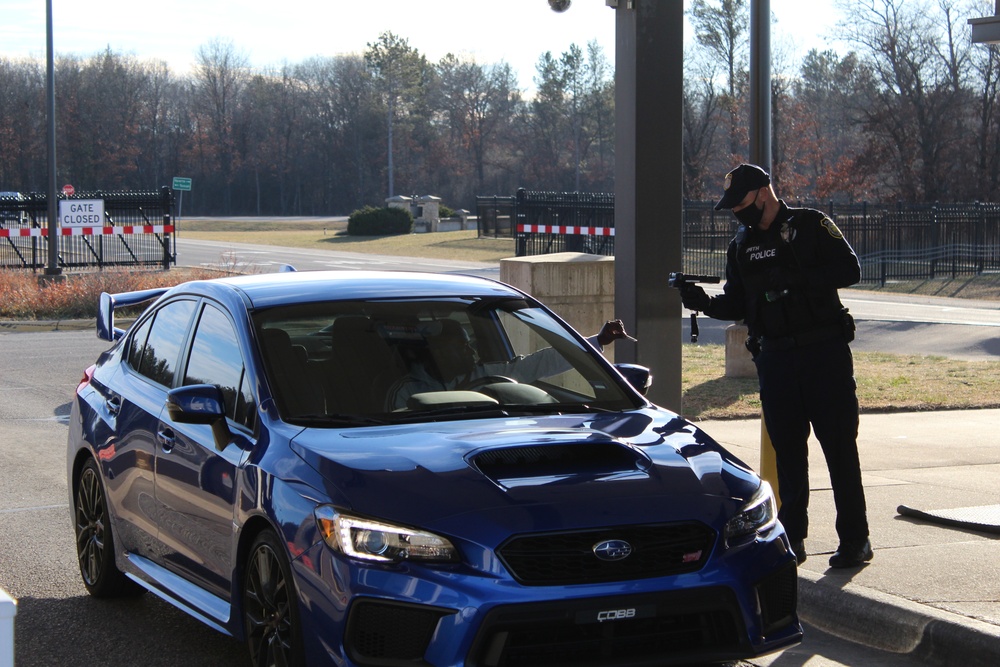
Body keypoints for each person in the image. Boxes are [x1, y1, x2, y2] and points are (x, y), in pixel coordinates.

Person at [679, 163, 872, 569]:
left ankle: (855, 540)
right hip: (777, 359)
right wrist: (703, 303)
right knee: (788, 456)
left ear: (763, 193)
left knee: (839, 450)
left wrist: (798, 277)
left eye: (741, 203)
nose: (736, 212)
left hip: (824, 355)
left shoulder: (810, 225)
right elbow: (736, 303)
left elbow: (850, 269)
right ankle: (793, 539)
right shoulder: (742, 245)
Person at [387, 319, 633, 410]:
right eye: (462, 346)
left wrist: (599, 341)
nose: (471, 351)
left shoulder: (487, 373)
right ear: (437, 352)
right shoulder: (406, 392)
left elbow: (540, 364)